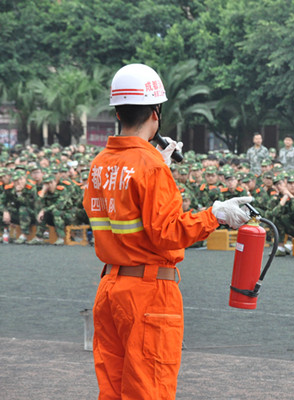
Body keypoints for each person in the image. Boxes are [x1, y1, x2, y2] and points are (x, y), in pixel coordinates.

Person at [83, 63, 251, 399]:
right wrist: (215, 214)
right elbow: (168, 233)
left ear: (117, 112)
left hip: (110, 287)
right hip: (149, 291)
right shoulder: (151, 165)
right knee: (149, 390)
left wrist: (152, 159)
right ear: (156, 112)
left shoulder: (101, 162)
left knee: (113, 390)